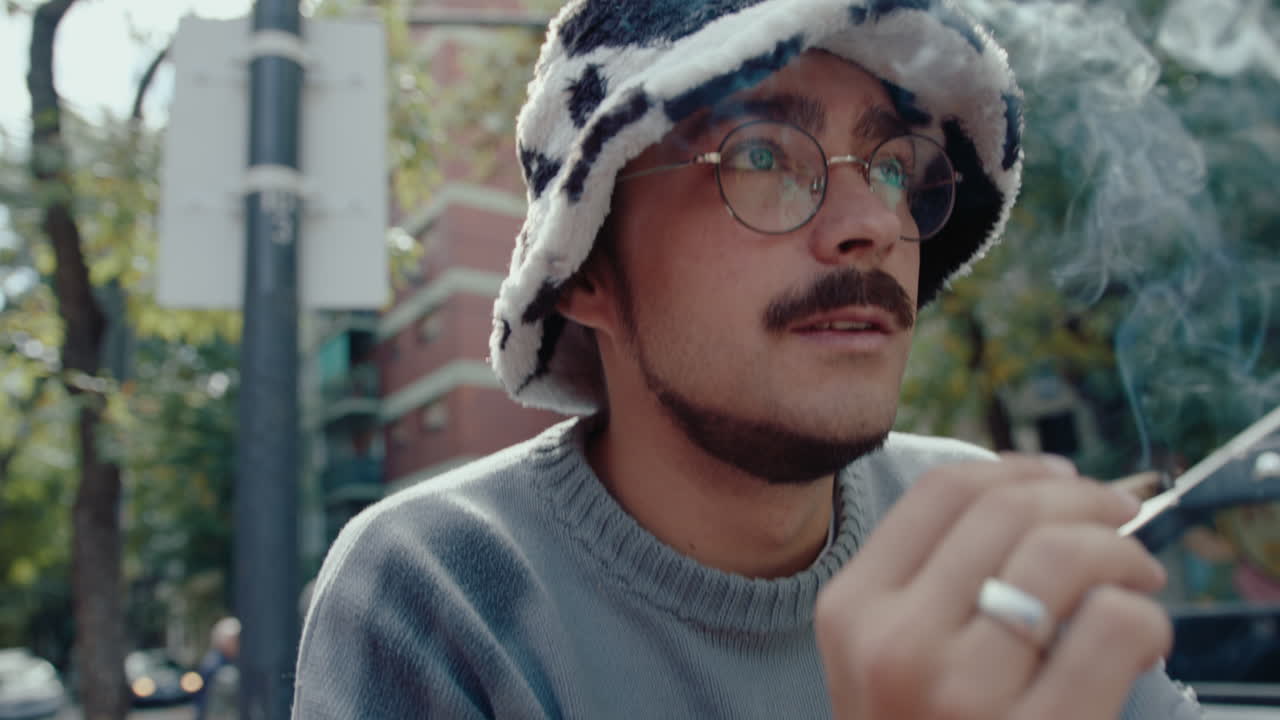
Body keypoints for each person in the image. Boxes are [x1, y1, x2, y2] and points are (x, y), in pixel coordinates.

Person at [293, 1, 1203, 717]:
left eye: (894, 165)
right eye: (763, 153)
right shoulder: (445, 592)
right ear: (586, 276)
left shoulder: (982, 538)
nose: (875, 224)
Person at [194, 617, 240, 720]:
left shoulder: (234, 661)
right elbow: (203, 699)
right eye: (235, 640)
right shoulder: (213, 664)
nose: (238, 644)